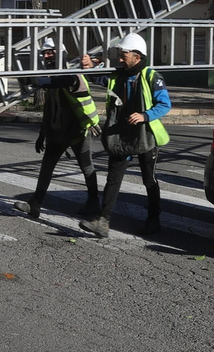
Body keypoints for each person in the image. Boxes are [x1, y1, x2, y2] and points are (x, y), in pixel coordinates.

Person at [78, 33, 170, 238]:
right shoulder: (117, 75)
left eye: (124, 55)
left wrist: (145, 115)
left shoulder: (152, 76)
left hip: (146, 135)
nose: (120, 59)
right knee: (113, 178)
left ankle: (154, 219)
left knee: (149, 179)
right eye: (119, 55)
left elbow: (165, 104)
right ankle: (103, 221)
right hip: (121, 135)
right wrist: (88, 66)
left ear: (137, 56)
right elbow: (97, 76)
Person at [12, 38, 100, 219]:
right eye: (45, 53)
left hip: (78, 132)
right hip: (57, 133)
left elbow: (60, 81)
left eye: (51, 52)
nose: (47, 56)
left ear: (62, 54)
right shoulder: (52, 77)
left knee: (87, 168)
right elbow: (49, 108)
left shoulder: (72, 75)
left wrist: (35, 80)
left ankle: (94, 203)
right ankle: (35, 204)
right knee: (46, 167)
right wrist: (42, 134)